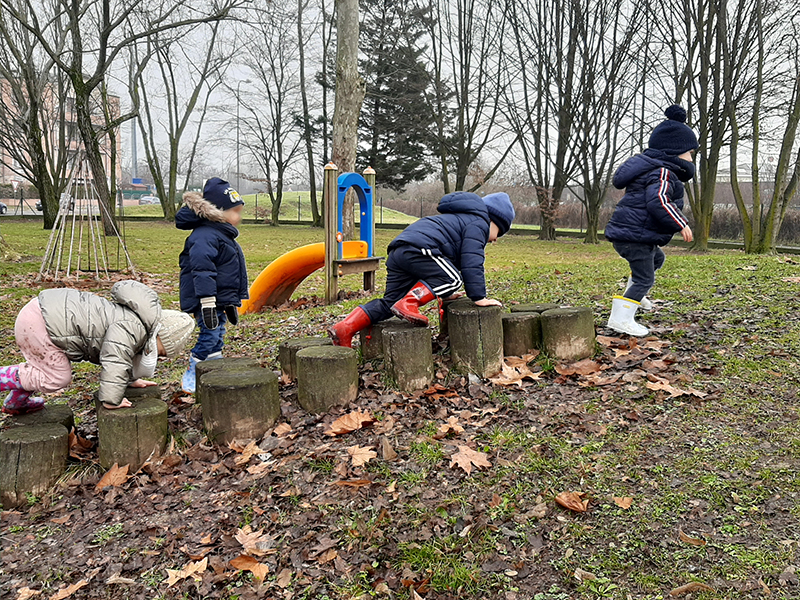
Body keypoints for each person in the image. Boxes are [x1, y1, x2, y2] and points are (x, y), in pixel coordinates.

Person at [328, 191, 515, 347]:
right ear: (494, 220)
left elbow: (446, 263)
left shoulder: (461, 219)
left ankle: (345, 328)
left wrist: (446, 294)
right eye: (499, 232)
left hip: (400, 250)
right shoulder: (479, 223)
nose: (495, 240)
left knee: (390, 303)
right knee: (453, 278)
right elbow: (472, 261)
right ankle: (410, 303)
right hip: (421, 247)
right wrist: (479, 297)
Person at [0, 280, 194, 415]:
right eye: (161, 353)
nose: (157, 358)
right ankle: (3, 378)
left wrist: (130, 379)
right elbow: (115, 359)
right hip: (42, 323)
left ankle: (17, 402)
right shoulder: (133, 328)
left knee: (40, 370)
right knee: (57, 377)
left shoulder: (134, 321)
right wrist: (112, 399)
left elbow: (124, 356)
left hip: (41, 313)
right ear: (159, 336)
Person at [604, 104, 697, 337]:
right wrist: (681, 223)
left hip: (632, 235)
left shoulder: (654, 170)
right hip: (634, 237)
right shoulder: (663, 172)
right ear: (675, 152)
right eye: (690, 153)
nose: (691, 158)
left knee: (657, 259)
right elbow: (659, 201)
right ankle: (621, 319)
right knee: (645, 278)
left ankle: (635, 294)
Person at [176, 177, 249, 393]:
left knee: (218, 335)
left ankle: (214, 366)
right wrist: (207, 301)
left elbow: (228, 272)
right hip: (205, 299)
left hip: (217, 298)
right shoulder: (205, 236)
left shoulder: (221, 234)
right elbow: (202, 270)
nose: (238, 216)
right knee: (210, 335)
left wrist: (229, 301)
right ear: (219, 211)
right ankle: (193, 368)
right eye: (235, 211)